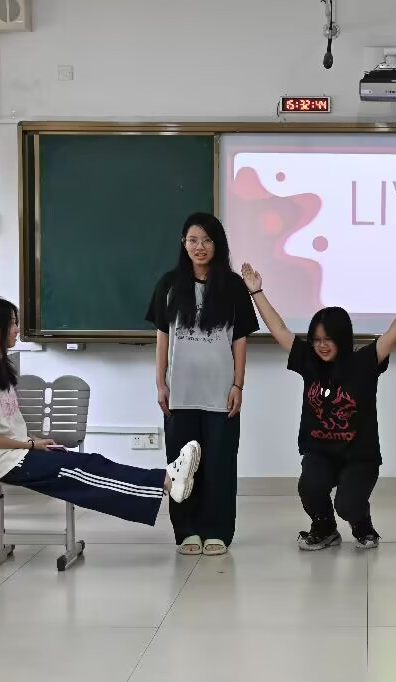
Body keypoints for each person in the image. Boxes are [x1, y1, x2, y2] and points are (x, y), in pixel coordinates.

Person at [241, 261, 396, 551]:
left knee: (347, 504)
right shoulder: (309, 361)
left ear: (342, 339)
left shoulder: (364, 362)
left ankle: (362, 525)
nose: (322, 346)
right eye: (317, 340)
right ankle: (325, 528)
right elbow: (279, 327)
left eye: (329, 339)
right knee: (309, 487)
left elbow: (394, 331)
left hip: (360, 456)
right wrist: (257, 292)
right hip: (320, 452)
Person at [0, 297, 202, 526]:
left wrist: (34, 442)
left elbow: (9, 425)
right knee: (82, 474)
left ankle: (167, 479)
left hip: (20, 454)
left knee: (93, 462)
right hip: (5, 464)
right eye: (13, 323)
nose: (17, 329)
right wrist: (30, 445)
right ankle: (165, 482)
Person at [145, 213, 259, 557]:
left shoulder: (233, 286)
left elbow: (240, 339)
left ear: (217, 245)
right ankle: (187, 531)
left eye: (207, 240)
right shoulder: (169, 284)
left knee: (220, 464)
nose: (200, 247)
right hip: (180, 393)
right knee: (182, 465)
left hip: (220, 393)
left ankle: (217, 531)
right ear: (184, 243)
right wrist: (160, 382)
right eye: (193, 240)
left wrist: (238, 385)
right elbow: (162, 337)